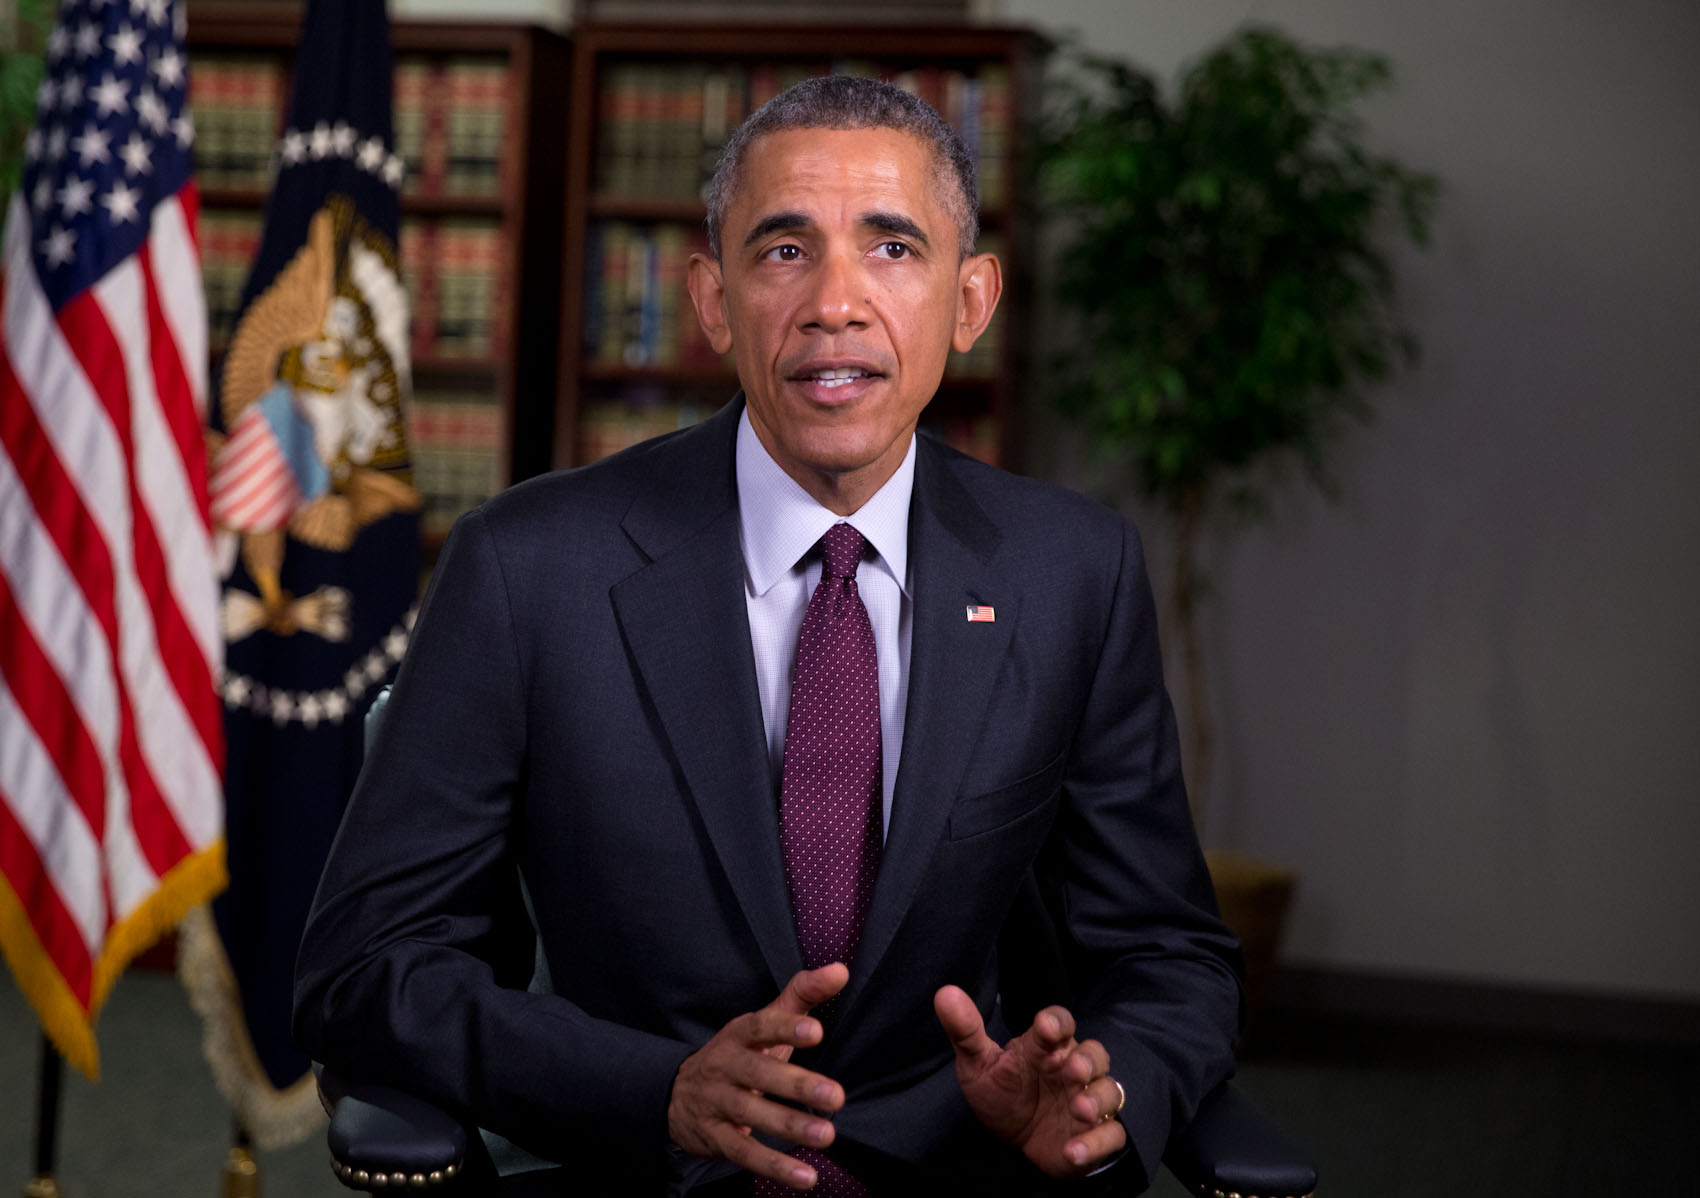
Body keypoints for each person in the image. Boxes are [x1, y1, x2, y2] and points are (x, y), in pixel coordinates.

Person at [294, 75, 1240, 1196]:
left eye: (891, 249)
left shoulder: (1070, 572)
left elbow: (1167, 952)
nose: (834, 302)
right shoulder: (527, 564)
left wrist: (1101, 1094)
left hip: (957, 1169)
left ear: (970, 299)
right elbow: (360, 970)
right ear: (710, 297)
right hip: (638, 1168)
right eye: (783, 251)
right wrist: (660, 1087)